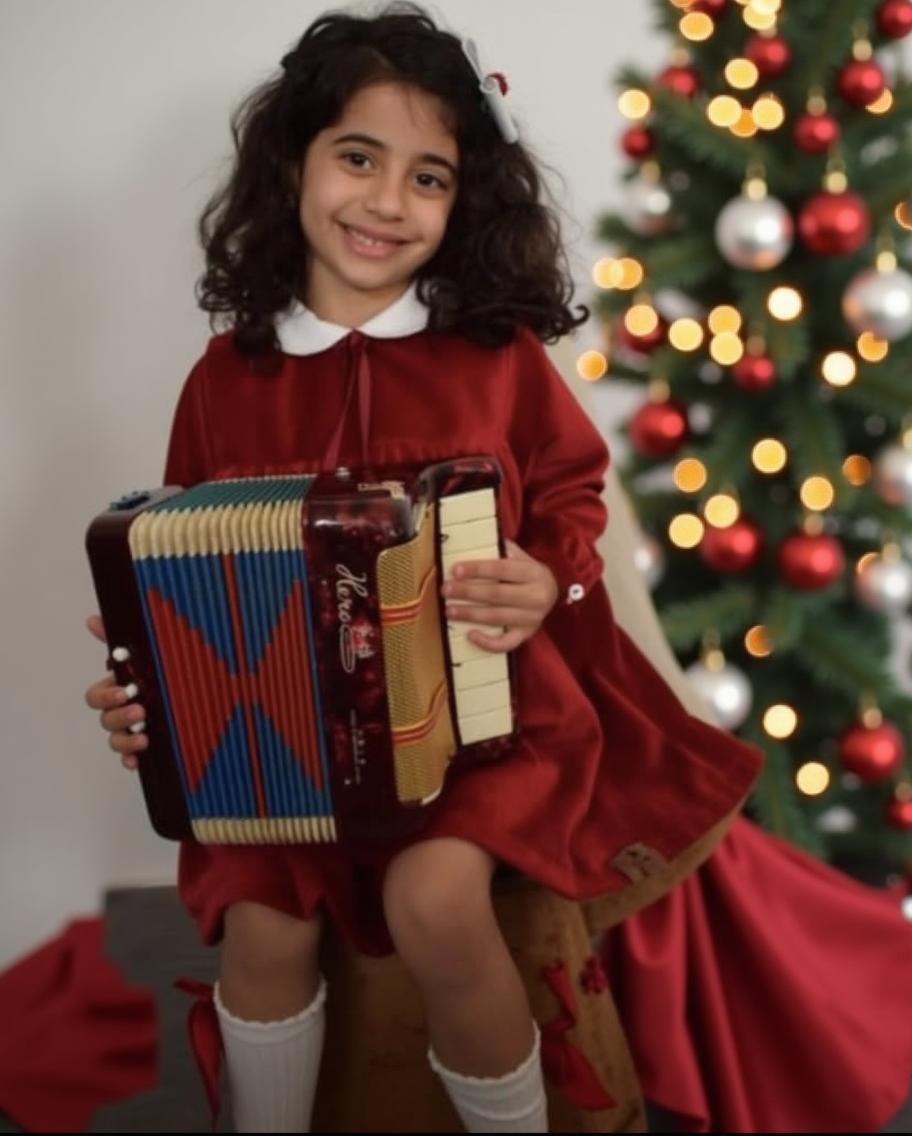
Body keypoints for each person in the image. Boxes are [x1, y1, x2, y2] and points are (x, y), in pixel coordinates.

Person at [84, 5, 762, 1131]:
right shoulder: (225, 380)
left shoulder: (496, 360)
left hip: (480, 727)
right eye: (359, 157)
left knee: (437, 893)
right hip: (284, 744)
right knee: (263, 921)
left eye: (430, 177)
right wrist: (147, 691)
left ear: (467, 202)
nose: (388, 202)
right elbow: (176, 571)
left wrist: (548, 578)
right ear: (293, 160)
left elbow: (572, 506)